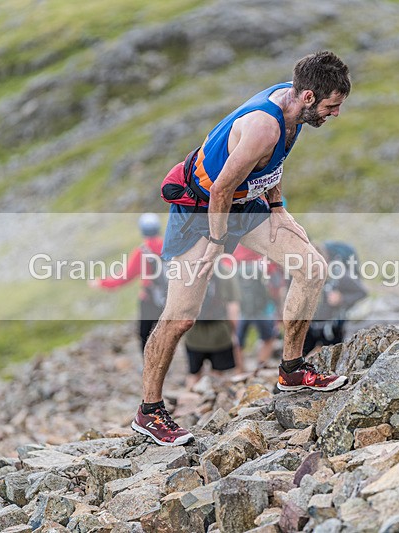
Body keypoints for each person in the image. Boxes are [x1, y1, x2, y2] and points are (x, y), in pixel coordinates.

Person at [132, 51, 352, 447]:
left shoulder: (295, 108)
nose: (335, 114)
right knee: (181, 317)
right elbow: (219, 190)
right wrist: (216, 245)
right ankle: (149, 412)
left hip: (246, 206)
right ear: (307, 96)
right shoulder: (262, 128)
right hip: (201, 212)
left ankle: (291, 368)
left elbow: (272, 166)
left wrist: (279, 208)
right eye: (331, 106)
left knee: (312, 268)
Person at [90, 213, 165, 351]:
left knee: (146, 336)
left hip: (149, 300)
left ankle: (150, 369)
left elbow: (123, 278)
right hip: (169, 298)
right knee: (166, 335)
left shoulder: (142, 251)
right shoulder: (168, 246)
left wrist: (101, 283)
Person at [302, 241, 368, 355]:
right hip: (314, 327)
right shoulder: (309, 277)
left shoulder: (339, 275)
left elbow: (362, 292)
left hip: (333, 328)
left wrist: (341, 298)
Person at [184, 260, 242, 388]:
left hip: (193, 334)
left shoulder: (189, 271)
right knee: (218, 374)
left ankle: (188, 402)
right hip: (220, 335)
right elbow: (233, 306)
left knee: (193, 374)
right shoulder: (225, 271)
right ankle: (213, 403)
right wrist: (233, 331)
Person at [233, 244, 279, 370]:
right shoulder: (264, 257)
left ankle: (240, 370)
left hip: (241, 308)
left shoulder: (234, 255)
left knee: (237, 340)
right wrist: (279, 307)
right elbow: (276, 285)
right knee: (269, 337)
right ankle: (260, 366)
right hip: (263, 309)